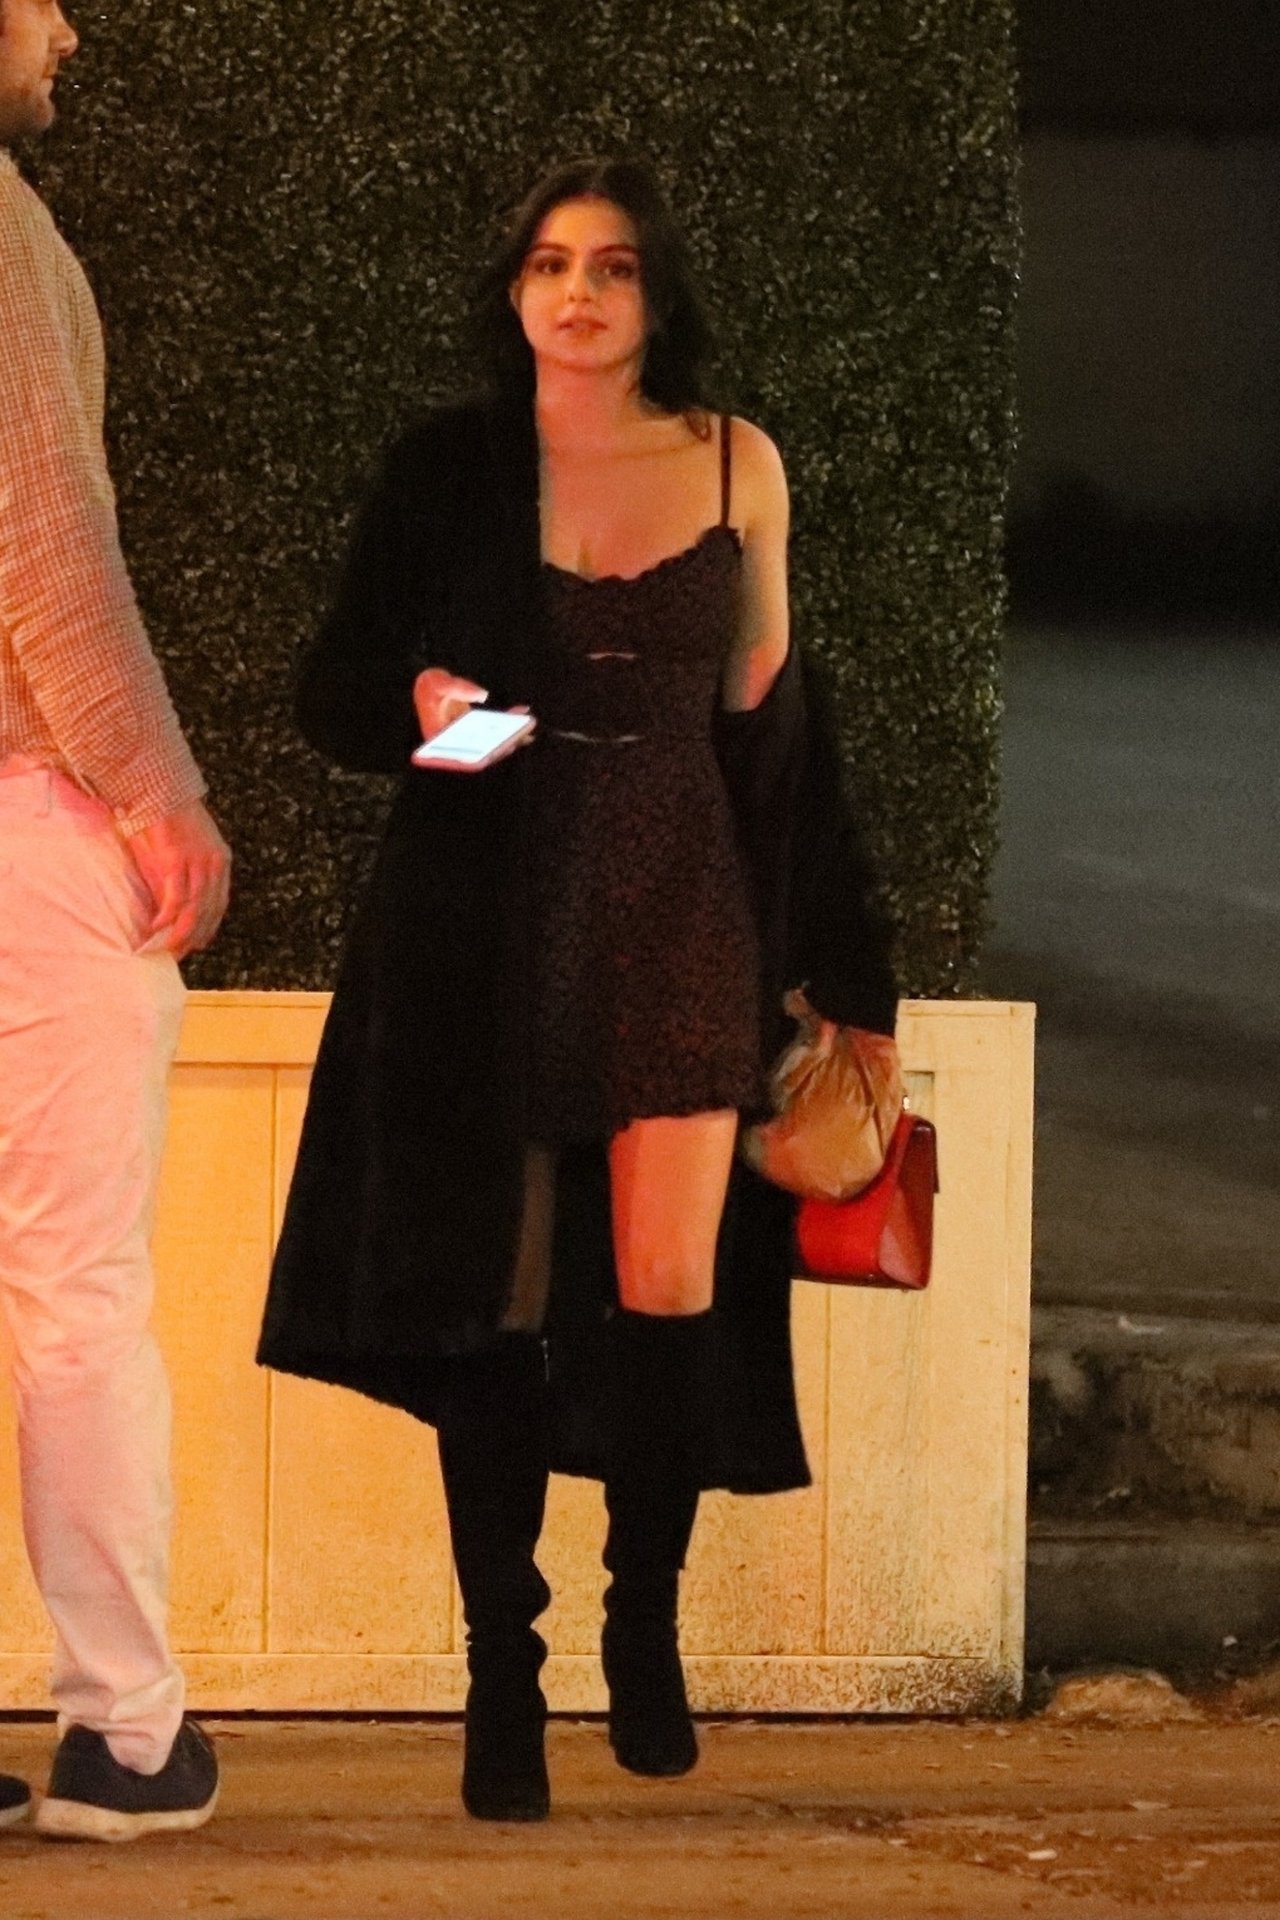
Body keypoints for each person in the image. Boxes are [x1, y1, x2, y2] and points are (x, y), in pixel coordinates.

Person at [258, 157, 898, 1822]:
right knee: (503, 1302)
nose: (580, 294)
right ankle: (503, 1677)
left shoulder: (741, 460)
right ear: (514, 291)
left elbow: (778, 724)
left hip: (686, 907)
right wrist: (421, 700)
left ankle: (644, 1628)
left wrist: (854, 970)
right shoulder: (450, 467)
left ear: (657, 294)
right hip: (490, 924)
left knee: (673, 1295)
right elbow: (332, 691)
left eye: (612, 267)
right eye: (550, 264)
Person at [0, 0, 229, 1839]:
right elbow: (46, 529)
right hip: (27, 821)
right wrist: (158, 789)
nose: (64, 31)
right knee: (75, 1291)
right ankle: (129, 1738)